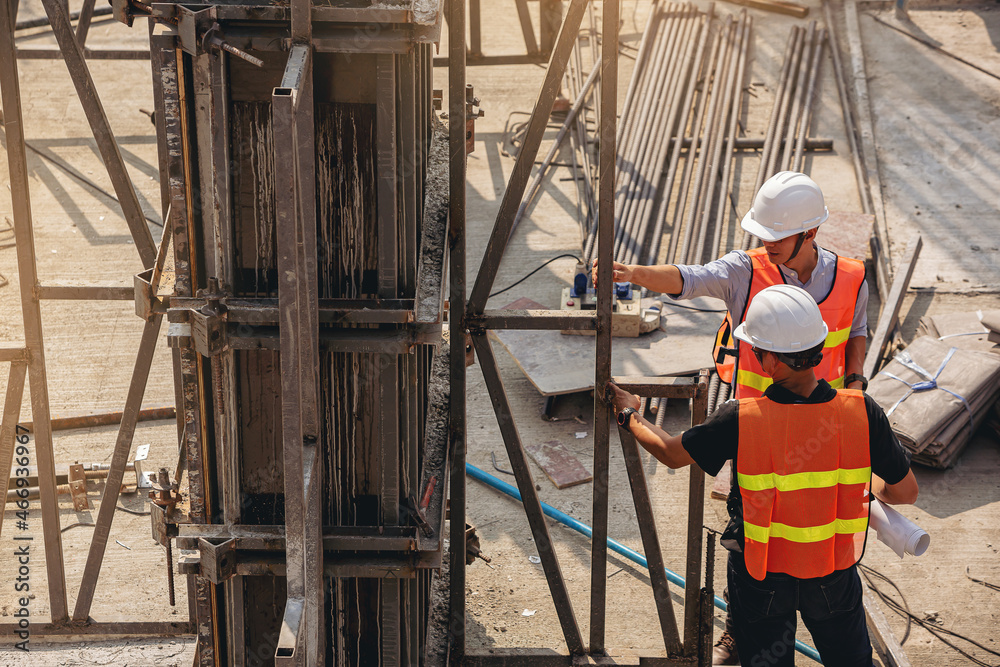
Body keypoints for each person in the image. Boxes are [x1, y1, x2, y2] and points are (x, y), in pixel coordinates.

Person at [595, 170, 869, 663]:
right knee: (758, 523)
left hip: (823, 425)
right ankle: (747, 629)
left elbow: (857, 332)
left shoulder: (851, 276)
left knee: (811, 523)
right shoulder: (747, 270)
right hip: (760, 432)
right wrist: (633, 273)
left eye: (776, 234)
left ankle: (771, 621)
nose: (765, 243)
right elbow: (690, 278)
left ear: (810, 232)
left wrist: (854, 382)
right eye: (761, 233)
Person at [606, 284, 918, 667]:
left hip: (762, 575)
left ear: (771, 362)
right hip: (832, 574)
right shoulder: (861, 411)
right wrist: (865, 491)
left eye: (755, 350)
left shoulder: (742, 416)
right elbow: (905, 491)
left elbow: (670, 454)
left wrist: (629, 415)